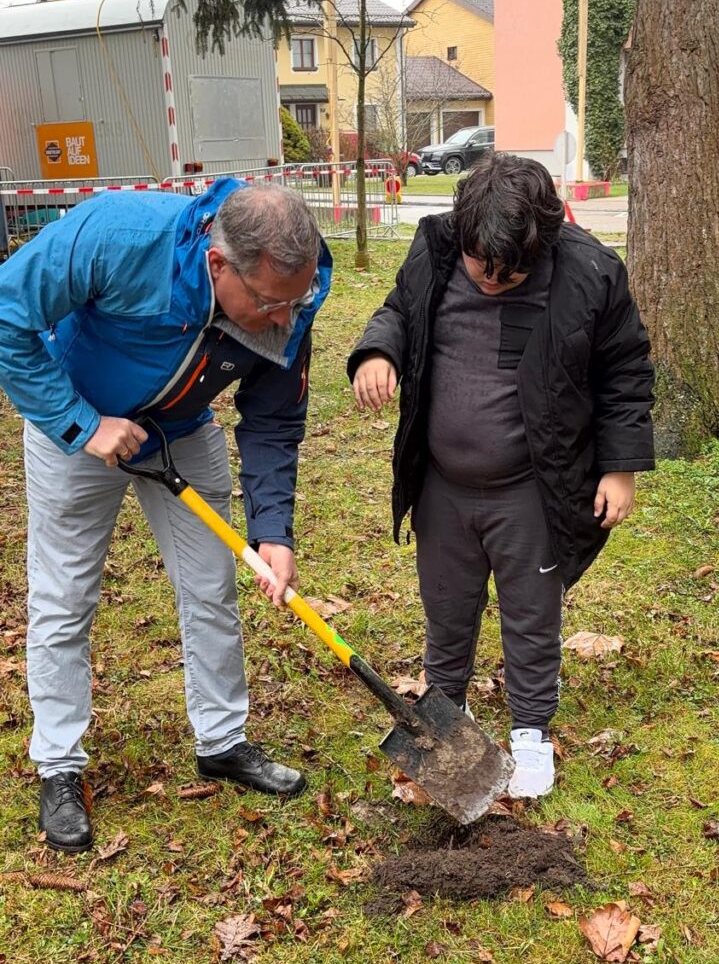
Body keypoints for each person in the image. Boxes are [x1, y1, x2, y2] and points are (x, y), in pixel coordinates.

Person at [0, 180, 331, 852]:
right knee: (64, 599)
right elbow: (7, 315)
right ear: (217, 266)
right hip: (83, 422)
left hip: (181, 426)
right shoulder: (116, 238)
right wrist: (80, 424)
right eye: (268, 302)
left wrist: (273, 530)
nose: (280, 318)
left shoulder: (296, 289)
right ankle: (60, 765)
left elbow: (272, 418)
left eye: (292, 302)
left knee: (211, 587)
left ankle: (222, 741)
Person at [348, 154, 654, 799]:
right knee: (447, 611)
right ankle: (444, 728)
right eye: (480, 265)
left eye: (509, 271)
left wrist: (620, 468)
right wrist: (377, 351)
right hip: (442, 486)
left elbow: (624, 373)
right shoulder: (436, 246)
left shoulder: (590, 272)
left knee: (531, 614)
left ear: (542, 244)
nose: (491, 279)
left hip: (532, 488)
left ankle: (532, 734)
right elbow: (398, 312)